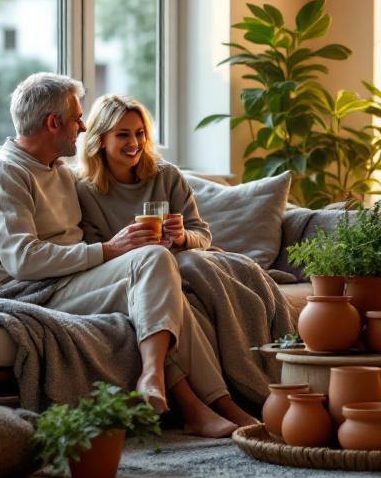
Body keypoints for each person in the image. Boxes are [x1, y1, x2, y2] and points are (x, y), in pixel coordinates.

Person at [0, 74, 247, 437]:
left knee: (159, 281)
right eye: (77, 118)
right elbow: (24, 261)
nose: (82, 126)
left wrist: (138, 245)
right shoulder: (4, 173)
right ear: (53, 123)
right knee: (151, 263)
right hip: (27, 291)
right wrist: (110, 249)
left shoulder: (60, 173)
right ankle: (185, 394)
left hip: (69, 283)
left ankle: (203, 402)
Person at [76, 94, 290, 417]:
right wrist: (125, 247)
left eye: (139, 133)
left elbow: (202, 235)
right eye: (123, 134)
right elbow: (98, 254)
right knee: (173, 295)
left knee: (192, 265)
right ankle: (217, 405)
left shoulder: (166, 176)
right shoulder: (86, 191)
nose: (134, 142)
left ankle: (231, 395)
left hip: (188, 262)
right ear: (100, 140)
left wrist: (182, 236)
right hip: (140, 275)